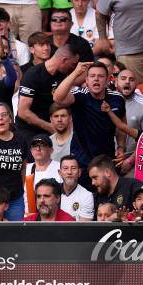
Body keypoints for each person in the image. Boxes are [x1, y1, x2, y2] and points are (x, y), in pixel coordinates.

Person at [53, 61, 126, 189]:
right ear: (86, 79)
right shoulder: (80, 95)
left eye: (100, 76)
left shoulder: (117, 98)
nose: (96, 79)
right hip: (81, 159)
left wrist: (120, 146)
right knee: (83, 199)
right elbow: (57, 98)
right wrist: (76, 73)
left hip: (107, 159)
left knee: (107, 198)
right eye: (92, 76)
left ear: (108, 79)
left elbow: (122, 125)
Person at [16, 43, 79, 145]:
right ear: (64, 60)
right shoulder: (33, 75)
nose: (72, 68)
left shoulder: (63, 76)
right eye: (72, 65)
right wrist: (50, 127)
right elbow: (23, 112)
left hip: (53, 129)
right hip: (30, 130)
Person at [95, 0, 143, 84]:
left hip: (128, 50)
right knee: (133, 91)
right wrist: (102, 38)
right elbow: (100, 13)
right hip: (128, 52)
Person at [114, 69, 143, 176]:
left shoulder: (142, 105)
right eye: (123, 79)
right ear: (116, 82)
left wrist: (131, 161)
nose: (127, 82)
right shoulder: (106, 101)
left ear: (136, 84)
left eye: (131, 80)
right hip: (107, 161)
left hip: (132, 162)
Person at [58, 154, 94, 221]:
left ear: (79, 172)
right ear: (60, 173)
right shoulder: (53, 191)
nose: (69, 172)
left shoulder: (86, 195)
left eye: (73, 168)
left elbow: (84, 227)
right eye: (65, 168)